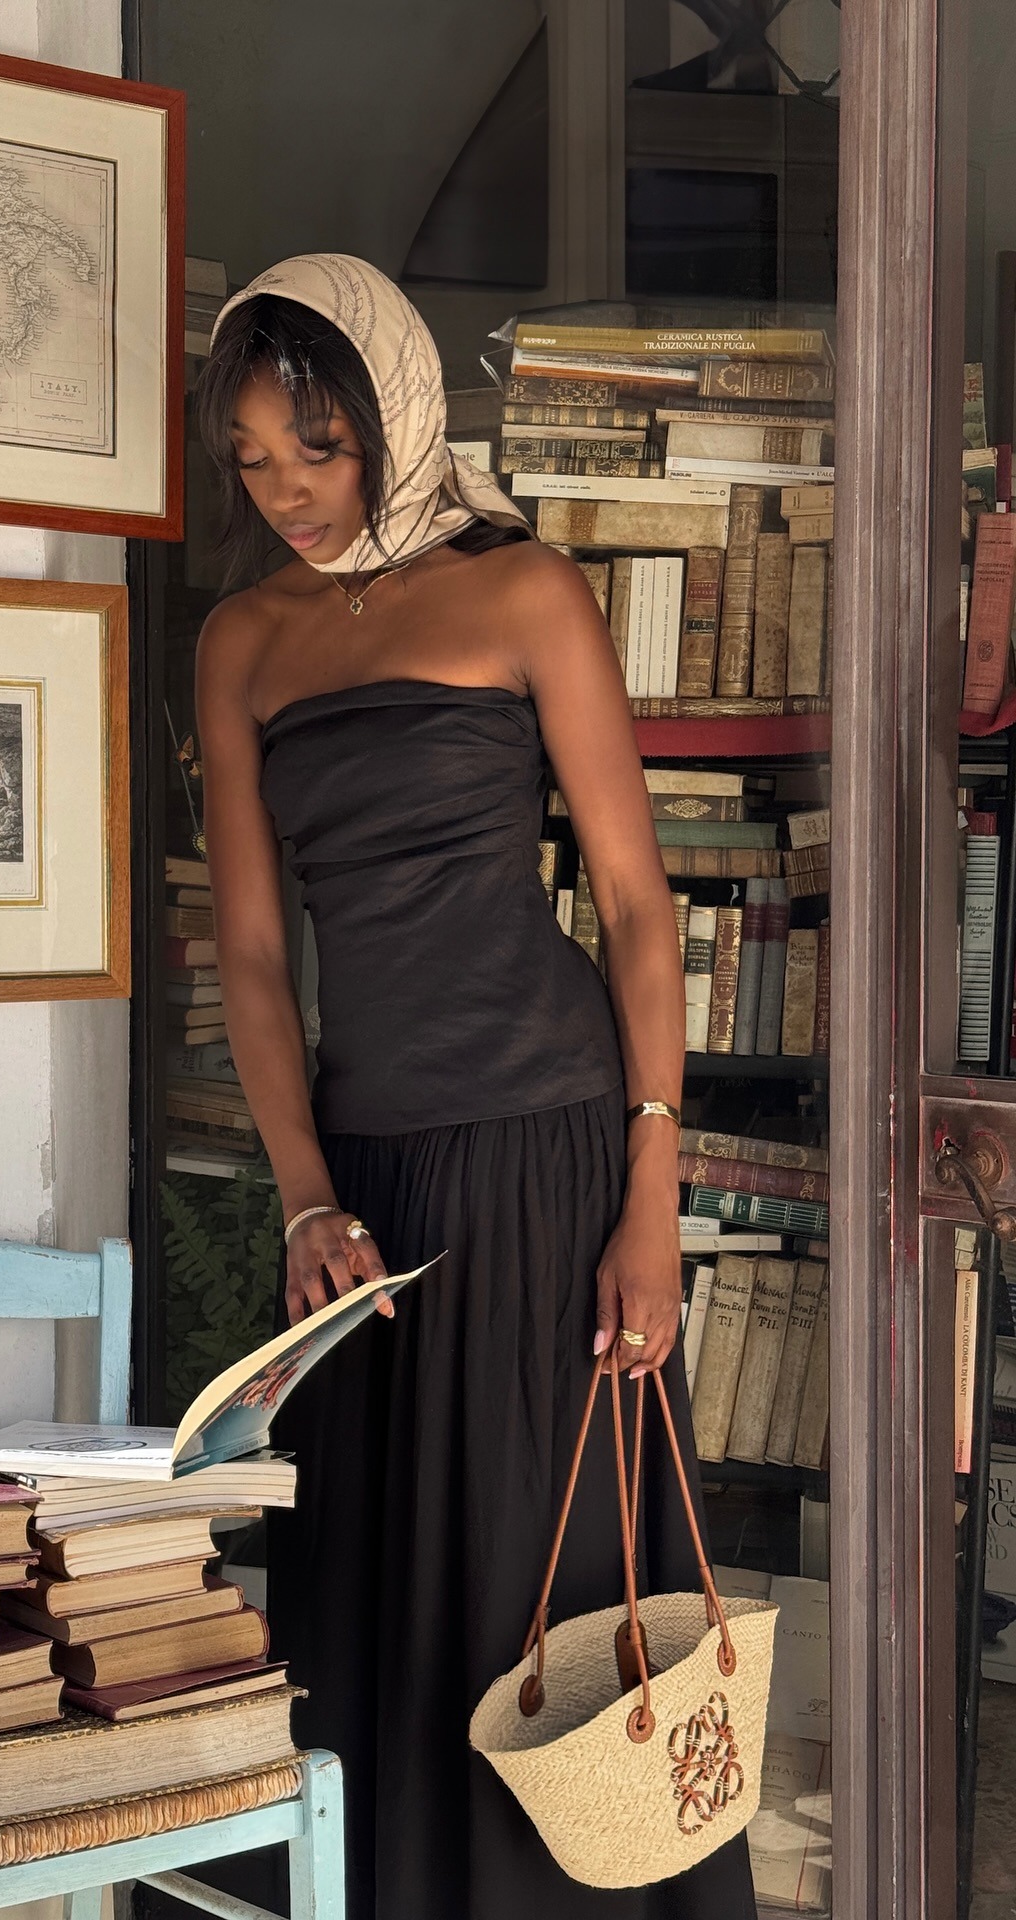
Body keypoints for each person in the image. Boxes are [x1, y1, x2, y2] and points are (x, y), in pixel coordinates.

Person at [194, 253, 757, 1920]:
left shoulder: (526, 594)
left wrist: (655, 1190)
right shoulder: (240, 641)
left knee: (551, 1588)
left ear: (396, 419)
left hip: (551, 1153)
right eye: (251, 460)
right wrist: (305, 1189)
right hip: (369, 1187)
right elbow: (249, 955)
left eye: (318, 447)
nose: (287, 490)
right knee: (387, 1600)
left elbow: (643, 907)